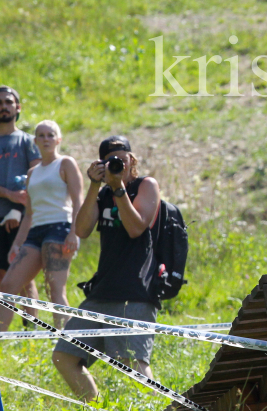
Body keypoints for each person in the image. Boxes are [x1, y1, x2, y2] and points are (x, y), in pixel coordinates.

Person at [53, 136, 161, 402]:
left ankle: (160, 406)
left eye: (121, 159)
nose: (117, 165)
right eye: (110, 161)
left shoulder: (145, 185)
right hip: (102, 291)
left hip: (135, 291)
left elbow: (137, 228)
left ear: (131, 160)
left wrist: (119, 189)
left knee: (133, 364)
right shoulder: (102, 193)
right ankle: (98, 405)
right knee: (65, 355)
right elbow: (81, 230)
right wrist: (95, 184)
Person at [0, 121, 83, 330]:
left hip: (60, 229)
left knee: (55, 290)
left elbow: (78, 200)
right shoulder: (32, 173)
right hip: (35, 233)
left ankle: (68, 345)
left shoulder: (66, 164)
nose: (46, 139)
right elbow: (29, 213)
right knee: (8, 286)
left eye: (50, 135)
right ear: (35, 141)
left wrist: (75, 233)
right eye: (41, 135)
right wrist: (17, 243)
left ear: (58, 139)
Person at [0, 85, 42, 318]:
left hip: (21, 218)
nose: (4, 107)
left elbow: (37, 176)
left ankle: (32, 329)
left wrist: (17, 208)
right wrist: (8, 194)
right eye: (0, 103)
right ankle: (4, 330)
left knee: (25, 276)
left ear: (18, 107)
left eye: (8, 101)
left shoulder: (27, 141)